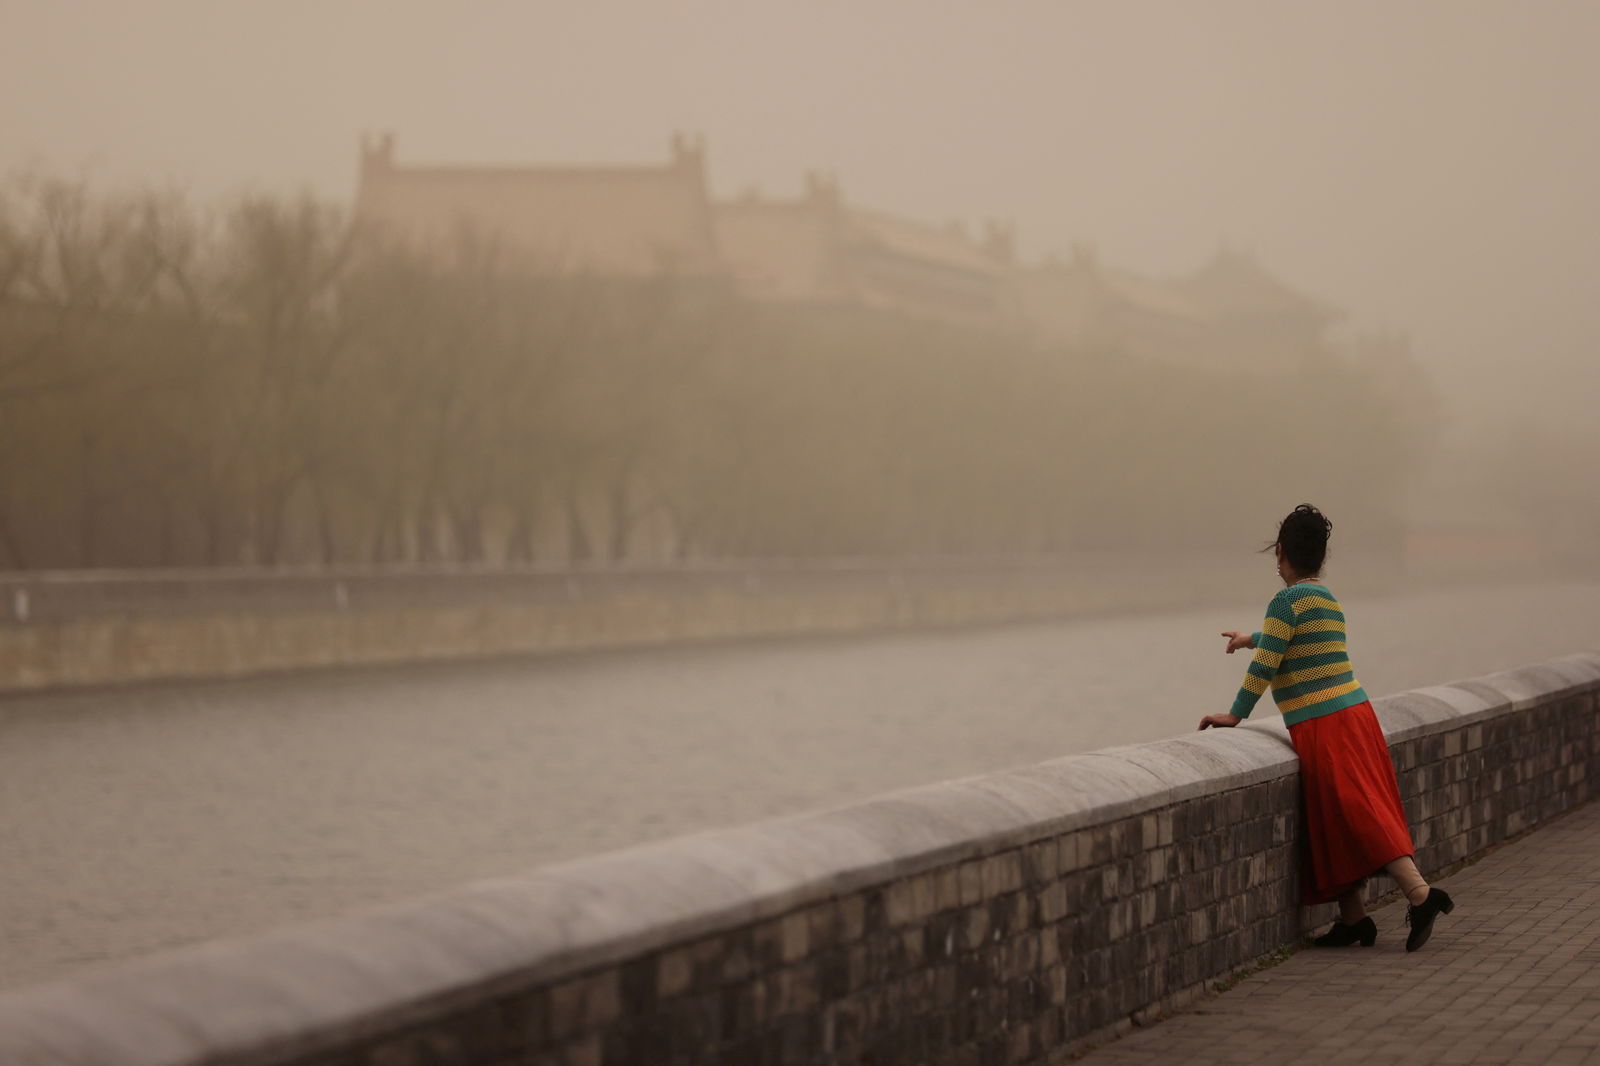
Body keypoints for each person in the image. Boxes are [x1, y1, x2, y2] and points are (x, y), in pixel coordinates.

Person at [1198, 504, 1454, 951]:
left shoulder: (1285, 600)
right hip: (1354, 713)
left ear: (1281, 552)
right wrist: (1250, 637)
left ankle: (1421, 894)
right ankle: (1353, 920)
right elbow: (1285, 639)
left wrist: (1235, 714)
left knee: (1359, 811)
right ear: (1320, 555)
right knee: (1335, 818)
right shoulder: (1326, 599)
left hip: (1325, 721)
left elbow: (1268, 662)